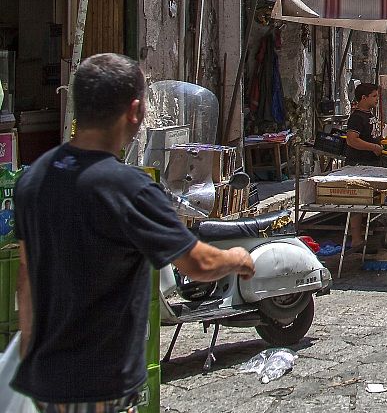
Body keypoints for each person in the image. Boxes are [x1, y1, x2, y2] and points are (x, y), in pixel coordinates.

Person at [14, 54, 255, 411]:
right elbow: (198, 264)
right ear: (136, 112)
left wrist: (29, 354)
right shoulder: (131, 188)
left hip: (46, 378)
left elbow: (26, 280)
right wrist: (238, 257)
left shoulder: (34, 178)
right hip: (98, 382)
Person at [344, 82, 383, 251]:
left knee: (368, 201)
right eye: (374, 96)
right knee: (357, 202)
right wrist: (373, 147)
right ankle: (356, 239)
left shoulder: (369, 114)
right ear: (363, 98)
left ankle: (368, 234)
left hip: (371, 164)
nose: (377, 99)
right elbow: (352, 140)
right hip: (358, 164)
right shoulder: (356, 117)